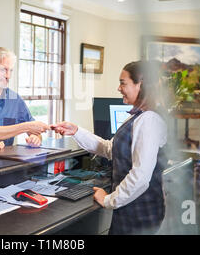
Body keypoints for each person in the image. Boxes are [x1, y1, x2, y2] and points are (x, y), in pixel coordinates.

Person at [51, 61, 168, 235]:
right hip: (132, 211)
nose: (118, 88)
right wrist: (76, 131)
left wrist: (108, 200)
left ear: (140, 85)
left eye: (123, 83)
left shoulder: (149, 120)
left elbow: (141, 176)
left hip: (139, 214)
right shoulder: (139, 116)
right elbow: (109, 148)